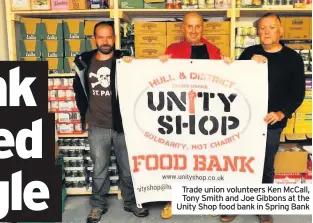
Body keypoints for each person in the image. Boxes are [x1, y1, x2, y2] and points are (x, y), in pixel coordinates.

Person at [123, 11, 232, 219]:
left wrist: (229, 65)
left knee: (204, 160)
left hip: (205, 116)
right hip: (178, 115)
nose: (193, 30)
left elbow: (227, 80)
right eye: (189, 26)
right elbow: (157, 78)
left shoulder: (214, 51)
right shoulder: (172, 50)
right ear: (183, 28)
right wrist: (154, 64)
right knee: (178, 160)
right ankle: (173, 199)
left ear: (203, 28)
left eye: (197, 26)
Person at [219, 13, 305, 223]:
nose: (266, 32)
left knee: (266, 166)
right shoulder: (250, 52)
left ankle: (263, 204)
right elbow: (234, 81)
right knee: (239, 163)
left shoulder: (293, 58)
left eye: (271, 27)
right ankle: (235, 203)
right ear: (258, 32)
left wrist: (281, 113)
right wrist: (242, 63)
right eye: (263, 28)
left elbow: (298, 93)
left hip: (271, 123)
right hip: (244, 121)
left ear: (280, 30)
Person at [72, 21, 149, 223]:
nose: (105, 41)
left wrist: (135, 64)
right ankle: (98, 205)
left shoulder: (124, 60)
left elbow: (142, 81)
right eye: (101, 37)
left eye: (109, 37)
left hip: (123, 126)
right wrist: (84, 116)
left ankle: (132, 201)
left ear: (114, 38)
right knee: (99, 169)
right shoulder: (84, 61)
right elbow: (78, 90)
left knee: (128, 167)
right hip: (97, 125)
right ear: (94, 38)